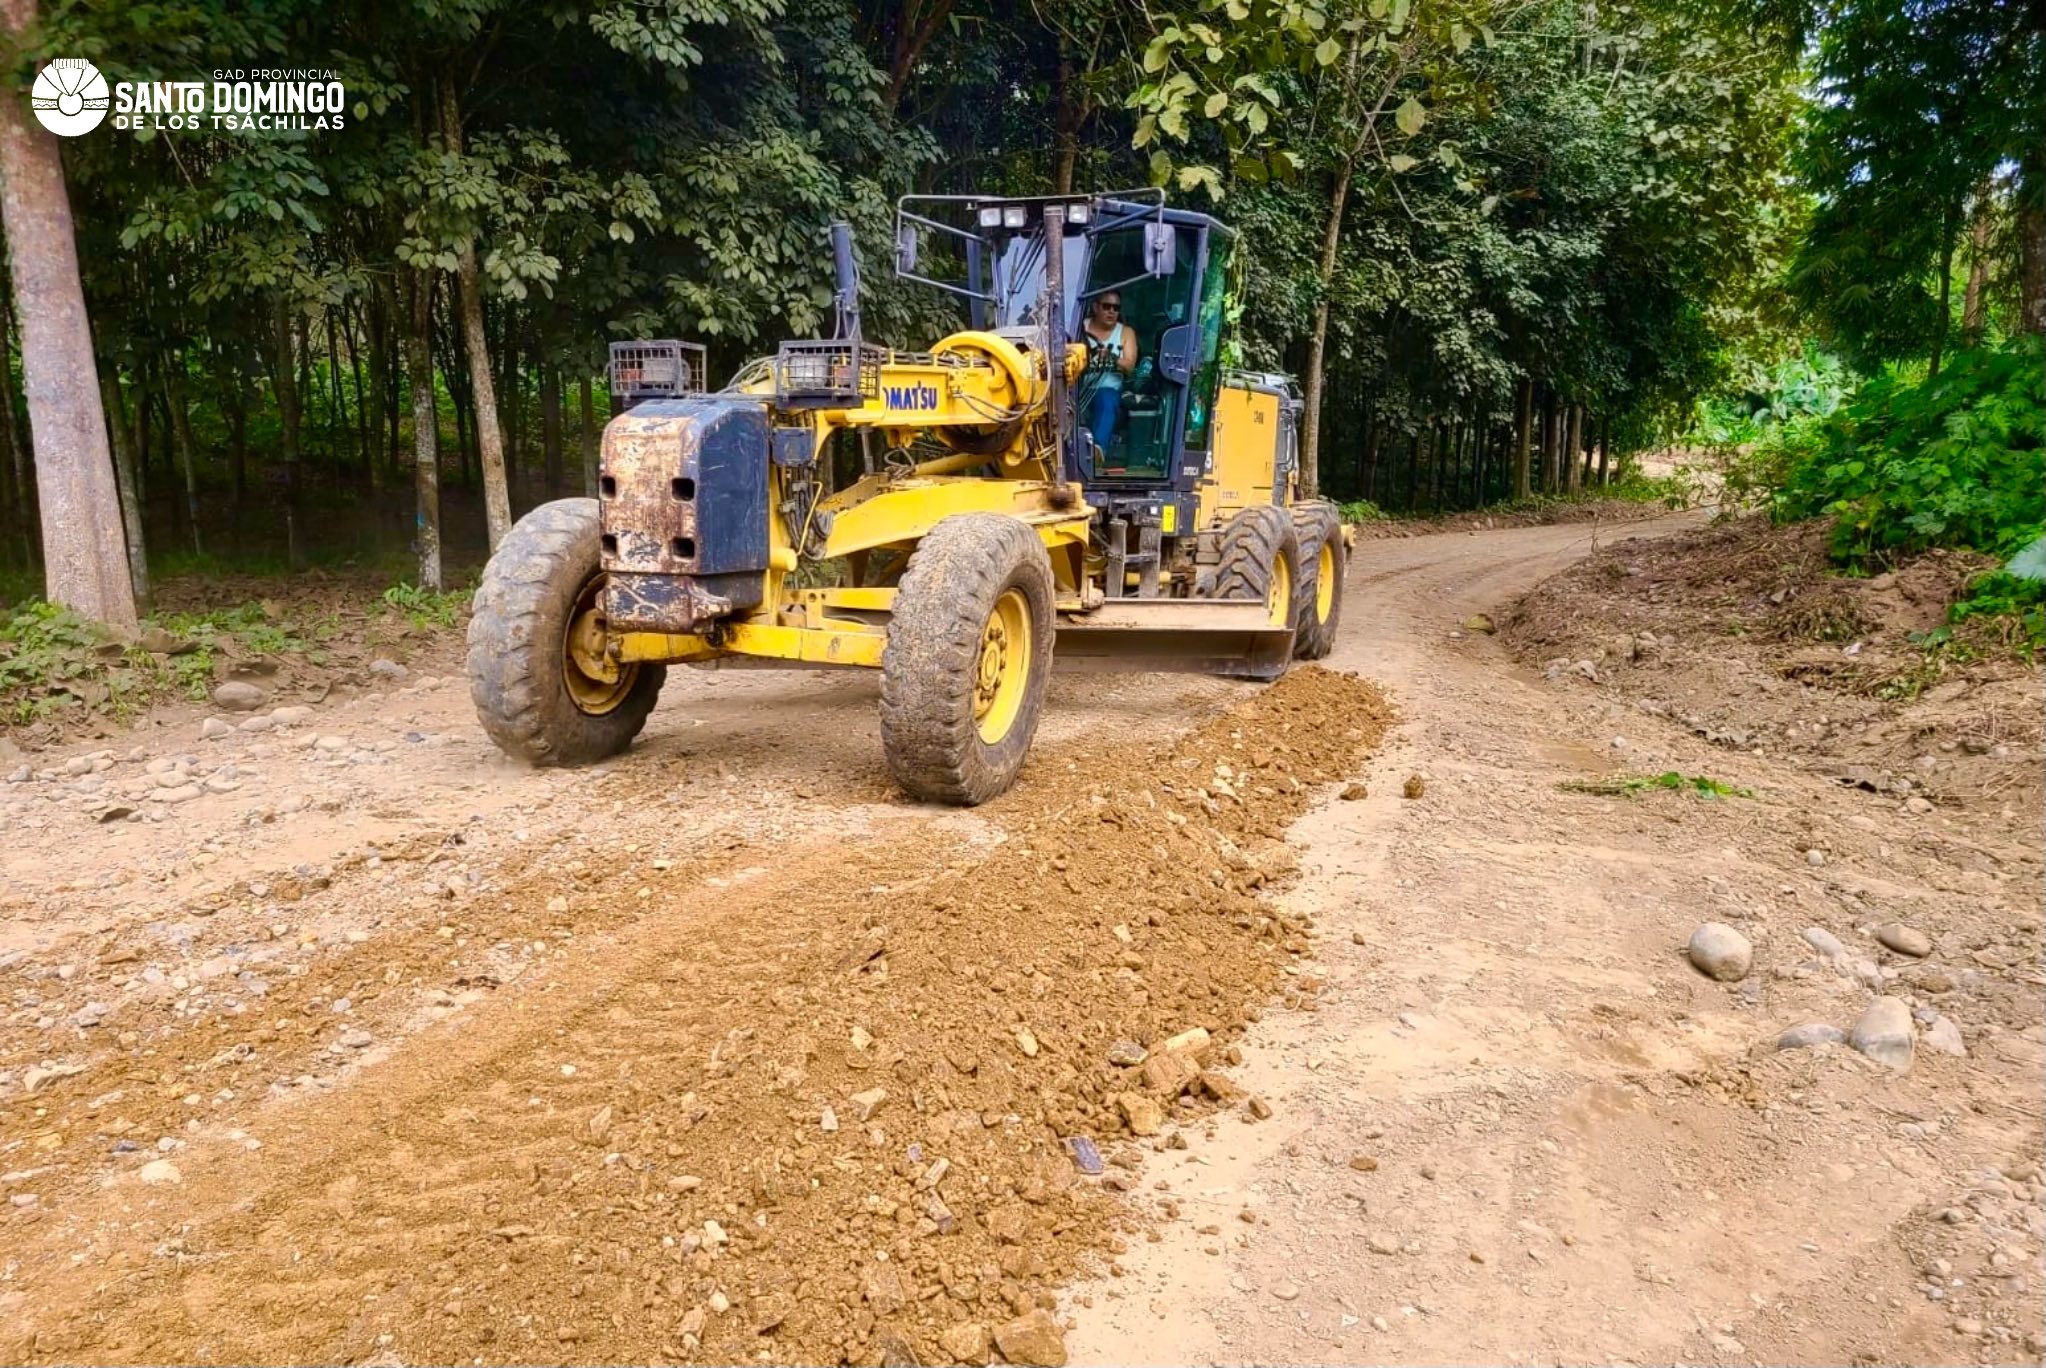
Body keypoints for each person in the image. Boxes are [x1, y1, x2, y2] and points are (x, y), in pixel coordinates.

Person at [1078, 291, 1137, 457]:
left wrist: (1111, 356)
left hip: (1107, 389)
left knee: (1106, 401)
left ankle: (1097, 451)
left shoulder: (1126, 332)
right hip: (1078, 388)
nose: (1111, 311)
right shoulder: (1080, 327)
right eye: (1106, 306)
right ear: (1095, 307)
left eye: (1116, 308)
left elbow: (1130, 365)